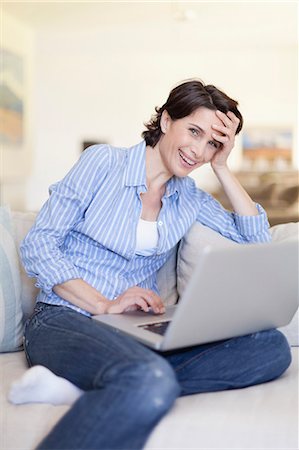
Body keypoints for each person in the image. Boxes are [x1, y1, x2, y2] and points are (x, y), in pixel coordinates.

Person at [10, 79, 291, 450]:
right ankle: (132, 383)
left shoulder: (189, 196)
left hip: (133, 328)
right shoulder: (103, 163)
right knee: (149, 378)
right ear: (164, 120)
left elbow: (257, 241)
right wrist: (102, 304)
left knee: (270, 348)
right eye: (194, 131)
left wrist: (223, 168)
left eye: (212, 143)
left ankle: (88, 389)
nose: (198, 150)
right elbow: (39, 244)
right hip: (66, 316)